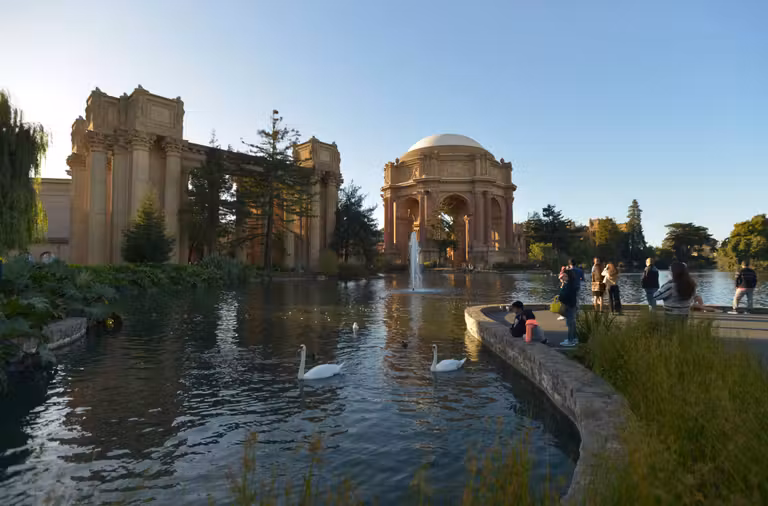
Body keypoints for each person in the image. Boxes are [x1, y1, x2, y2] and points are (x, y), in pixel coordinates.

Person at [559, 269, 579, 347]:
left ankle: (570, 340)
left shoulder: (568, 286)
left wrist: (561, 290)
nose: (563, 277)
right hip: (572, 305)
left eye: (565, 276)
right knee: (572, 323)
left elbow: (564, 295)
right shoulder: (572, 284)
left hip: (569, 305)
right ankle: (573, 338)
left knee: (570, 323)